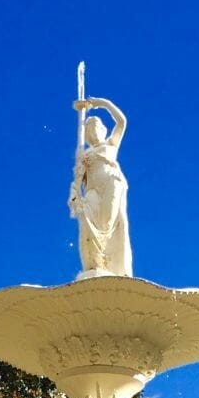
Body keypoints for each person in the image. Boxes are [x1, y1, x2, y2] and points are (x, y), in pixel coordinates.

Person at [69, 95, 131, 277]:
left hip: (111, 183)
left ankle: (110, 265)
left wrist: (101, 104)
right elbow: (79, 179)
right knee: (86, 221)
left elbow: (122, 122)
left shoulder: (111, 144)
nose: (92, 131)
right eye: (88, 129)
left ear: (103, 130)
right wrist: (79, 171)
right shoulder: (84, 153)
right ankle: (94, 263)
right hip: (92, 190)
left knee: (108, 224)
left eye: (95, 127)